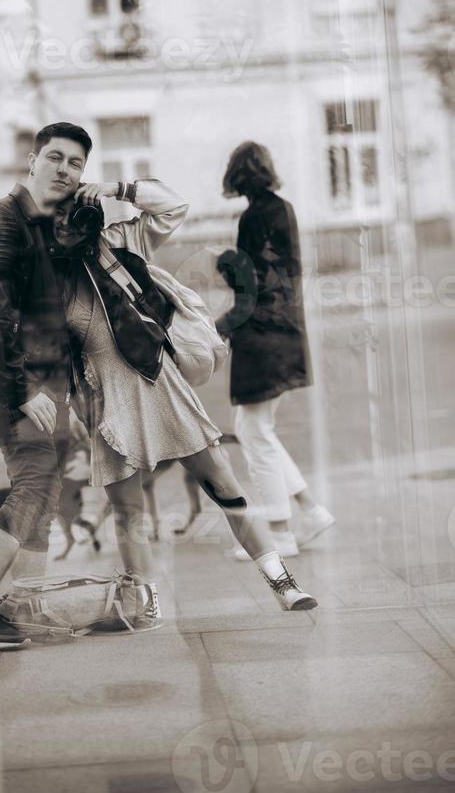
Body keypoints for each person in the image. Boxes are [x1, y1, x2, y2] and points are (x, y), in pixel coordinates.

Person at [49, 178, 318, 625]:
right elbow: (51, 357)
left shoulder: (119, 242)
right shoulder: (49, 283)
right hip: (106, 403)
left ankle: (282, 582)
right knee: (129, 512)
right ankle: (146, 602)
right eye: (61, 216)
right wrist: (73, 412)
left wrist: (116, 189)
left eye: (77, 212)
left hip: (162, 385)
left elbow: (172, 206)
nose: (72, 223)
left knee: (225, 488)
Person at [0, 123, 93, 651]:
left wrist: (66, 392)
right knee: (33, 482)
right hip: (14, 380)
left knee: (47, 490)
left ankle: (26, 602)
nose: (64, 169)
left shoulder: (48, 227)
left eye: (75, 164)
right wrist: (22, 391)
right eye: (55, 157)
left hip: (49, 382)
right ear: (32, 161)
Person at [216, 141, 335, 559]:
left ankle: (281, 533)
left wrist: (226, 270)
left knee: (254, 433)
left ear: (236, 176)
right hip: (285, 330)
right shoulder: (283, 208)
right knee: (257, 429)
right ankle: (311, 509)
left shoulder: (253, 217)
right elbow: (282, 274)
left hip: (262, 337)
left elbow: (250, 285)